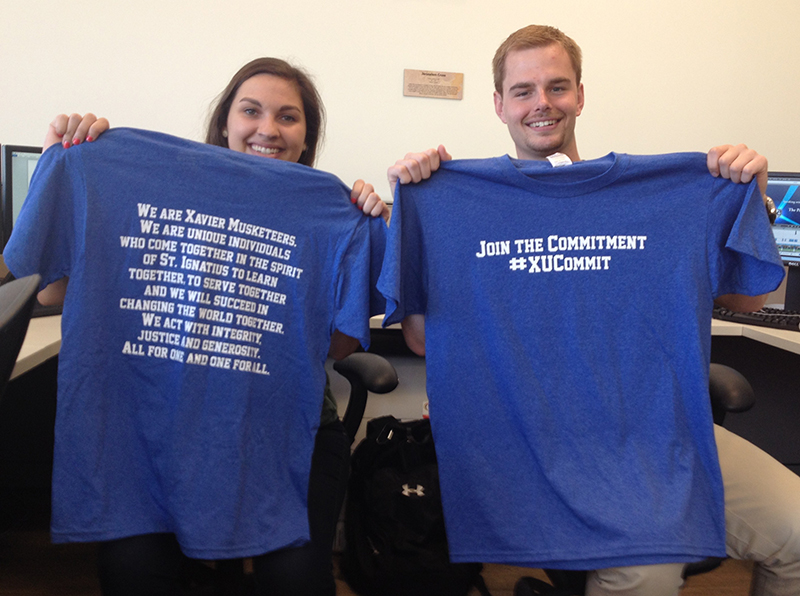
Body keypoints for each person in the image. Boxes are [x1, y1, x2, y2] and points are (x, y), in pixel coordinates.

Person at [385, 25, 800, 596]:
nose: (542, 103)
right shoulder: (451, 199)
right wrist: (416, 207)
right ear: (500, 104)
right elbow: (424, 340)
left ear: (580, 95)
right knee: (645, 569)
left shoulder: (667, 192)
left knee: (798, 533)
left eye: (557, 87)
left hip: (658, 438)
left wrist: (746, 195)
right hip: (534, 446)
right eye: (524, 90)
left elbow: (749, 299)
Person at [33, 58, 389, 596]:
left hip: (286, 433)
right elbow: (50, 289)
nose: (268, 129)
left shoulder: (326, 210)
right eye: (252, 111)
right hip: (158, 430)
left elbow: (338, 343)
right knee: (132, 571)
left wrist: (371, 226)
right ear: (225, 121)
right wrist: (66, 165)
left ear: (306, 137)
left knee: (296, 581)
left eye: (288, 117)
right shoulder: (143, 181)